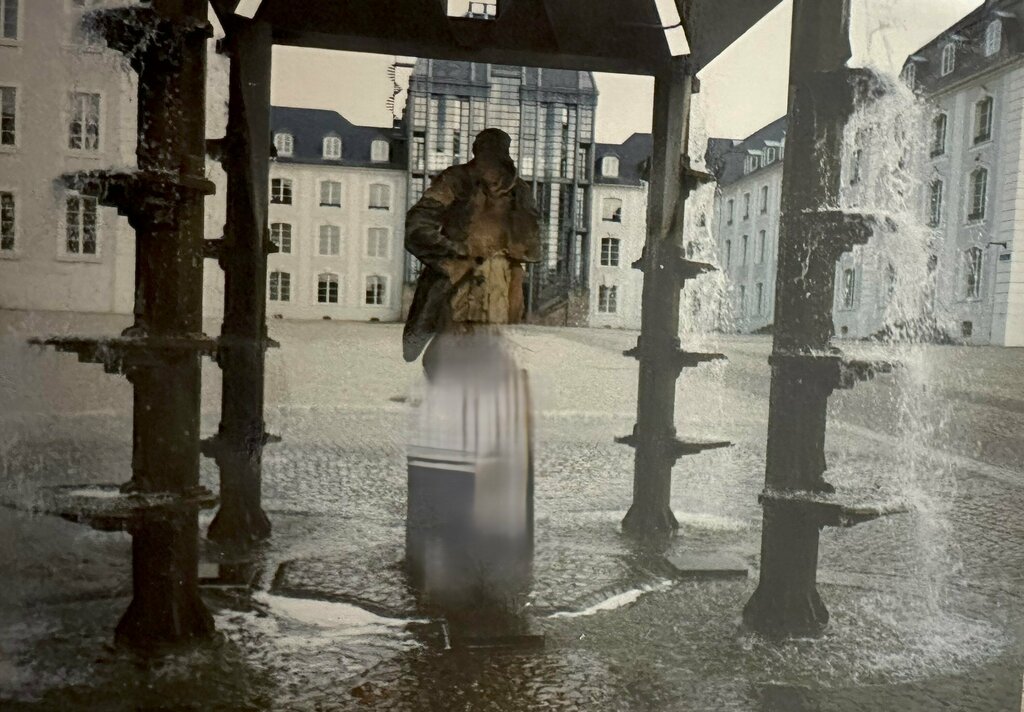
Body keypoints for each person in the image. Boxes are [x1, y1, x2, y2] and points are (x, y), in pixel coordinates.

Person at [402, 128, 541, 375]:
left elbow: (529, 246)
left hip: (497, 282)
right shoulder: (456, 180)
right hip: (459, 276)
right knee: (447, 350)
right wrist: (455, 254)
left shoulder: (520, 192)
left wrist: (512, 273)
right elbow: (418, 225)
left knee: (482, 346)